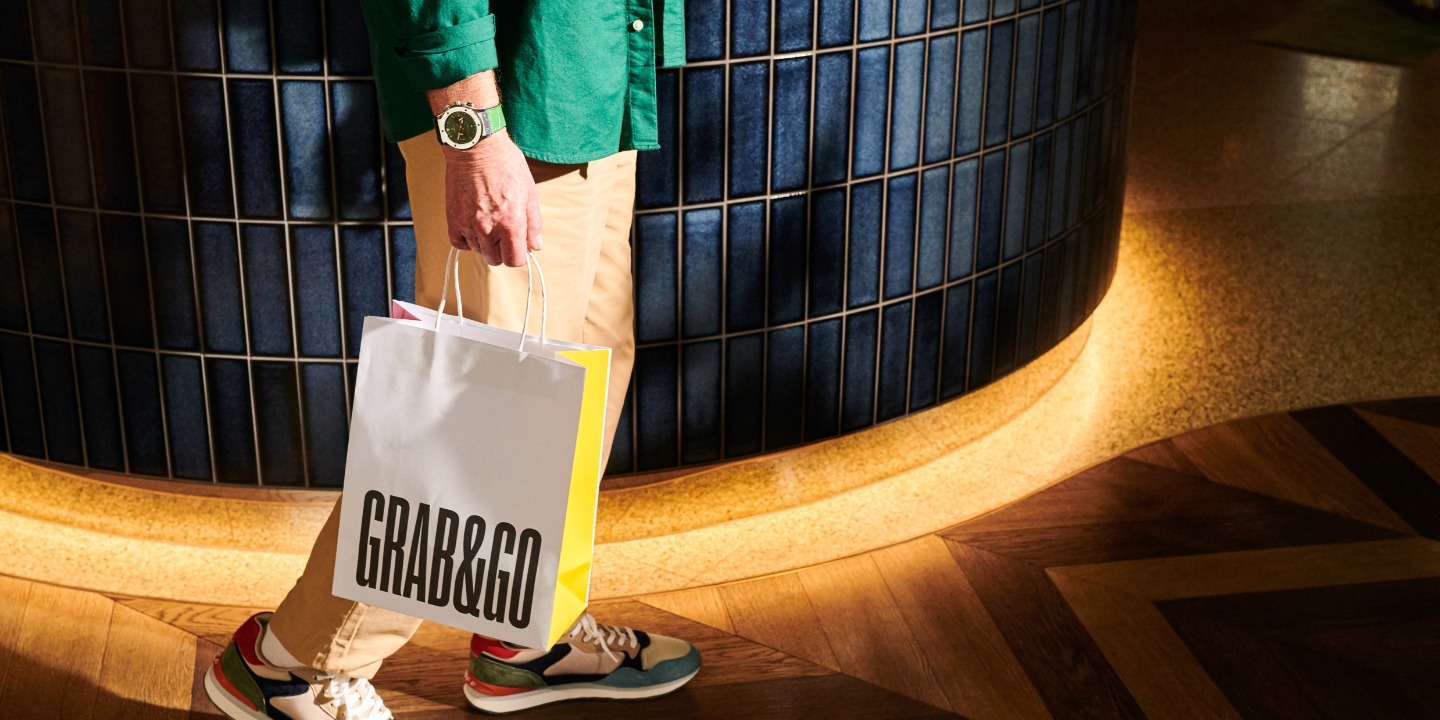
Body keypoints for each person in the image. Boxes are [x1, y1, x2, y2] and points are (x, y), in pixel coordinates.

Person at [202, 2, 698, 718]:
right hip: (502, 105)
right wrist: (475, 135)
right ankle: (293, 664)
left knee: (584, 366)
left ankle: (523, 639)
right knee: (480, 409)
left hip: (586, 77)